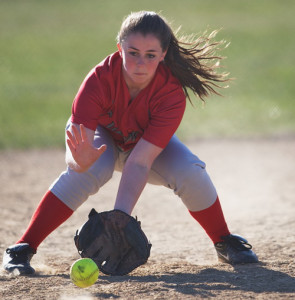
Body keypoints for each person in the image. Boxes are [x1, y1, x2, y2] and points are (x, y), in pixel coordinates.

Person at [3, 11, 258, 275]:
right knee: (91, 171)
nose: (140, 63)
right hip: (101, 140)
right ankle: (21, 248)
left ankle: (223, 240)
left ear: (163, 54)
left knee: (189, 170)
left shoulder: (170, 92)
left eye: (150, 55)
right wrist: (77, 161)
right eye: (133, 52)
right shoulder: (98, 81)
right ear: (119, 48)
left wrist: (119, 219)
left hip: (144, 148)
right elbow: (79, 148)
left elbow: (139, 161)